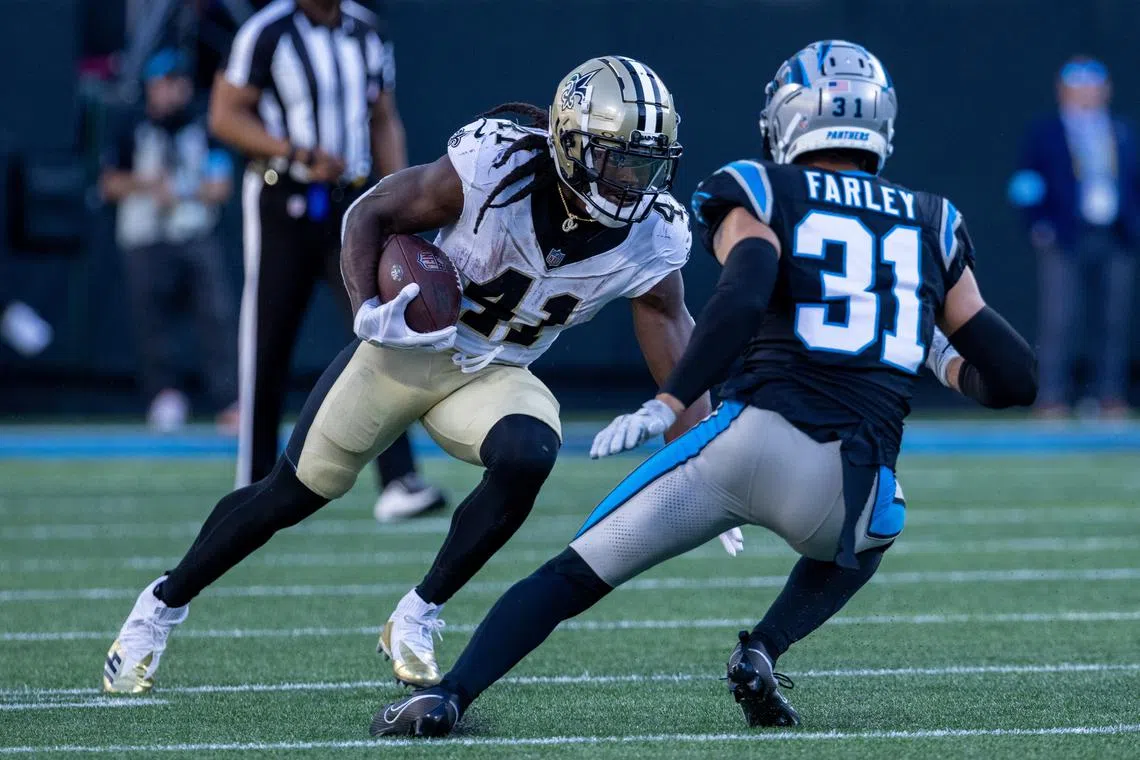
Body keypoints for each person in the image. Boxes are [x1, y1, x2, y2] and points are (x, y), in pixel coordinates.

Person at [369, 40, 1039, 738]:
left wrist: (670, 401)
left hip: (745, 446)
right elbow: (1015, 379)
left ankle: (448, 696)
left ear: (789, 118)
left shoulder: (761, 186)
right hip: (848, 489)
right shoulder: (934, 221)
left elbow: (744, 296)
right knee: (882, 522)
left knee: (570, 577)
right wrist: (941, 357)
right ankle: (764, 646)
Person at [102, 55, 731, 695]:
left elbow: (667, 325)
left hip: (494, 371)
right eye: (617, 159)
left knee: (530, 452)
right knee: (292, 492)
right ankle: (160, 606)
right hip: (403, 349)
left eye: (646, 164)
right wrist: (367, 312)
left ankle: (417, 614)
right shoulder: (498, 163)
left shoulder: (652, 231)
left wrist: (698, 453)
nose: (632, 182)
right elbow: (370, 213)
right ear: (569, 143)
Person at [208, 0, 444, 519]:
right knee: (266, 344)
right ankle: (252, 483)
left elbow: (384, 117)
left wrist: (399, 196)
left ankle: (399, 480)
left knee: (382, 334)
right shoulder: (267, 32)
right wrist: (292, 151)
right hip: (283, 200)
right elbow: (225, 113)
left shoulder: (365, 30)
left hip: (352, 207)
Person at [100, 48, 239, 433]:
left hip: (193, 233)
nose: (171, 92)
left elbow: (219, 186)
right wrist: (148, 185)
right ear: (150, 87)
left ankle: (229, 399)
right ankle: (164, 396)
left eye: (177, 84)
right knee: (151, 322)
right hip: (144, 236)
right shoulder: (129, 126)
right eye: (163, 84)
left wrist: (181, 190)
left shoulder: (204, 128)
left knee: (216, 315)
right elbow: (109, 183)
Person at [1009, 57, 1138, 419]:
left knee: (1114, 318)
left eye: (1093, 87)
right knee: (1060, 317)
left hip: (1115, 234)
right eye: (1079, 87)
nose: (1087, 94)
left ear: (1105, 90)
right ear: (1063, 91)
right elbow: (1025, 184)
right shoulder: (1046, 132)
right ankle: (1052, 396)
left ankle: (1110, 395)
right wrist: (1038, 224)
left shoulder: (1122, 130)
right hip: (1065, 236)